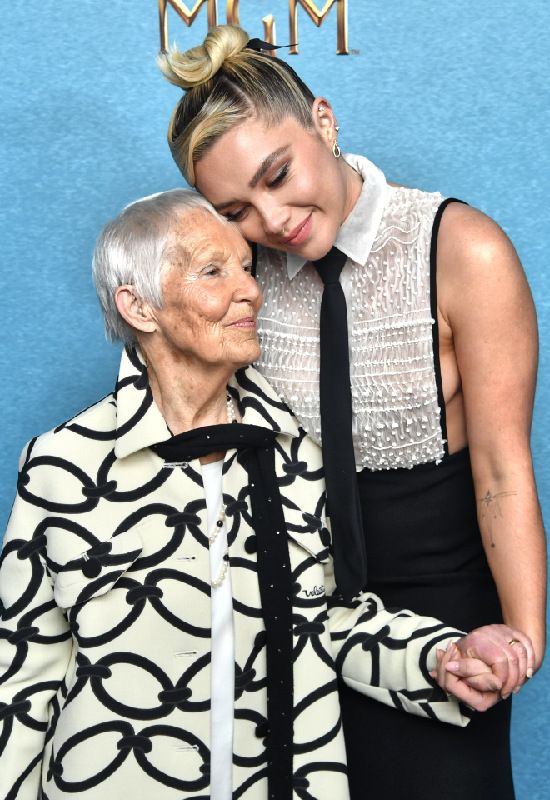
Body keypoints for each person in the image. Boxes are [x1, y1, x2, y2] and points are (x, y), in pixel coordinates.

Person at [0, 189, 511, 800]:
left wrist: (439, 660)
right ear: (139, 307)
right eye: (213, 271)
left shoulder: (298, 454)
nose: (250, 290)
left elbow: (327, 624)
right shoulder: (63, 464)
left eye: (245, 267)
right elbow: (20, 680)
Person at [158, 25, 547, 800]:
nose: (273, 220)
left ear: (324, 122)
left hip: (441, 618)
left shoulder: (460, 249)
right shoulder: (241, 284)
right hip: (289, 612)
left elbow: (502, 468)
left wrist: (522, 637)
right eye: (236, 208)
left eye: (279, 174)